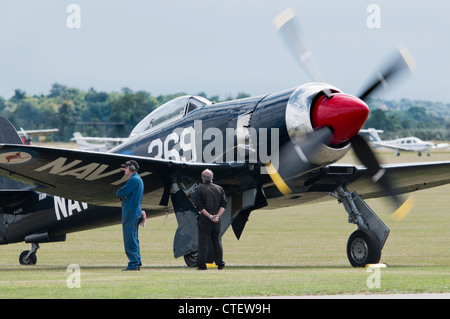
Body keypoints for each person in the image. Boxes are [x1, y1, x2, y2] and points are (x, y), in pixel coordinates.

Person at [194, 169, 227, 270]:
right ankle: (220, 263)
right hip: (217, 221)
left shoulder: (199, 189)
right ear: (212, 178)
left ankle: (202, 265)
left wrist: (210, 216)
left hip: (205, 220)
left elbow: (199, 207)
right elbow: (224, 205)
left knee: (203, 242)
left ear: (202, 178)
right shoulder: (219, 189)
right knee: (217, 241)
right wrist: (217, 216)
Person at [116, 160, 144, 271]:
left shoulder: (133, 180)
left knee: (129, 239)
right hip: (134, 211)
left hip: (130, 213)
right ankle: (137, 262)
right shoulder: (138, 180)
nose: (124, 169)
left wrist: (123, 195)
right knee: (134, 238)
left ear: (131, 168)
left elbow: (119, 193)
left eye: (126, 167)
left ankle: (133, 264)